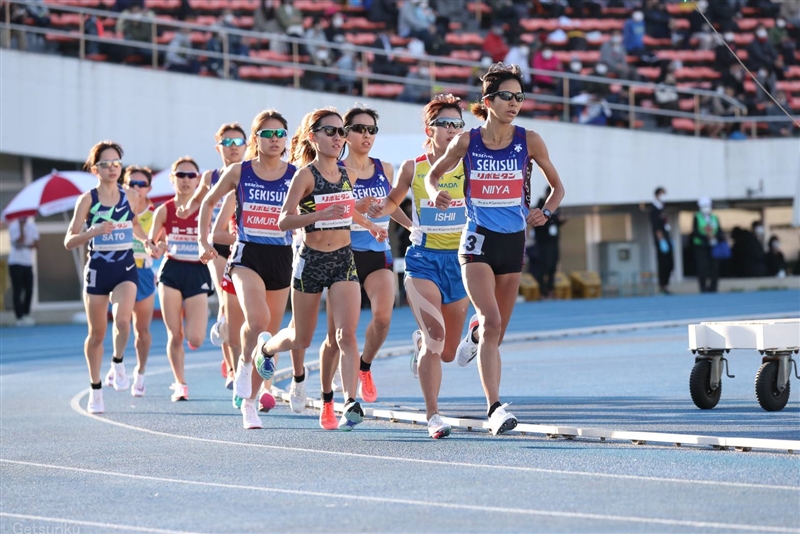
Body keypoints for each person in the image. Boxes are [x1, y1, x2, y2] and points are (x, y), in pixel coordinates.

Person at [423, 63, 565, 435]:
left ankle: (475, 336)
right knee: (493, 320)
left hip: (514, 240)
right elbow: (433, 174)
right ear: (488, 101)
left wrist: (545, 211)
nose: (514, 103)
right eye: (507, 96)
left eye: (520, 97)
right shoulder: (467, 141)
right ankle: (495, 409)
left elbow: (558, 188)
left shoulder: (529, 140)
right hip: (477, 239)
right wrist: (437, 189)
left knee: (495, 332)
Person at [256, 108, 387, 431]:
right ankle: (266, 347)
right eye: (330, 132)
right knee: (301, 337)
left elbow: (345, 210)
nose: (338, 138)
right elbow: (284, 220)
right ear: (313, 137)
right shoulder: (305, 176)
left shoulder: (348, 175)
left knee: (346, 334)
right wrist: (318, 215)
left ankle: (349, 402)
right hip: (311, 261)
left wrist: (368, 222)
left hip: (343, 260)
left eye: (341, 132)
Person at [368, 94, 469, 439]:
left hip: (462, 262)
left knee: (448, 353)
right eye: (446, 123)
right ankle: (433, 415)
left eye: (459, 124)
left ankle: (422, 345)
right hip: (423, 262)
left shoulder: (470, 164)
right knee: (436, 337)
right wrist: (376, 210)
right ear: (430, 128)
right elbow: (391, 202)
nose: (454, 130)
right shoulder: (414, 166)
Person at [198, 110, 297, 429]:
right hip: (247, 255)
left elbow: (316, 211)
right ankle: (241, 364)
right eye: (267, 134)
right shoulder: (241, 171)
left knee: (268, 339)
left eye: (280, 134)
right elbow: (208, 203)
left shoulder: (296, 174)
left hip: (281, 256)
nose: (274, 140)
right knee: (258, 322)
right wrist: (203, 241)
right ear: (256, 138)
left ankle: (251, 403)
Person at [326, 106, 412, 405]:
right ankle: (334, 380)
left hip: (378, 252)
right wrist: (357, 209)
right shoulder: (333, 171)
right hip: (343, 254)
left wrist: (410, 226)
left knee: (384, 317)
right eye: (360, 129)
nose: (366, 135)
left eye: (372, 130)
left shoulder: (385, 168)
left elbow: (392, 202)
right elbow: (327, 211)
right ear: (345, 133)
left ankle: (364, 367)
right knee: (339, 331)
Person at [65, 141, 152, 414]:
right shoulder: (87, 200)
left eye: (117, 163)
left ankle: (117, 362)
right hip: (97, 271)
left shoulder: (131, 196)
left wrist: (148, 242)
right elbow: (69, 240)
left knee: (124, 319)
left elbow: (135, 224)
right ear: (95, 169)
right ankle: (95, 389)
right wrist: (94, 231)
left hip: (125, 267)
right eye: (107, 164)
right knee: (96, 334)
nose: (113, 168)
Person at [179, 123, 247, 391]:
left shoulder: (251, 172)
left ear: (246, 145)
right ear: (218, 147)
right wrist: (185, 210)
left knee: (246, 310)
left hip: (249, 243)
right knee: (225, 303)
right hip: (219, 246)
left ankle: (240, 356)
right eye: (227, 142)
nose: (232, 147)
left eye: (237, 141)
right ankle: (231, 368)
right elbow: (197, 202)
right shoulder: (210, 176)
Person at [148, 157, 212, 402]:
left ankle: (197, 328)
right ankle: (180, 383)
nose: (186, 180)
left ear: (197, 179)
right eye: (181, 175)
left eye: (191, 176)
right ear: (172, 178)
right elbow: (153, 246)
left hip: (197, 271)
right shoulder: (164, 210)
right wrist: (157, 246)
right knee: (175, 335)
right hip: (172, 271)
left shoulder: (206, 207)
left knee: (195, 338)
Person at [121, 165, 157, 396]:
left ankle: (140, 372)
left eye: (141, 184)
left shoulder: (155, 215)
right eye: (132, 184)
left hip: (143, 272)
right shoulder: (116, 209)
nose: (136, 188)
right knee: (120, 323)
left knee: (141, 330)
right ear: (125, 186)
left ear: (148, 188)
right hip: (119, 270)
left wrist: (158, 247)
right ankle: (117, 363)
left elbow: (160, 246)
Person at [534, 185, 564, 298]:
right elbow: (542, 220)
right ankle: (542, 291)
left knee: (553, 266)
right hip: (543, 242)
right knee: (543, 266)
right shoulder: (541, 205)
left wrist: (560, 220)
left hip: (553, 242)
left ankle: (550, 289)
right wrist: (555, 219)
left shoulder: (556, 206)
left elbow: (556, 220)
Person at [7, 216, 38, 327]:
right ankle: (19, 317)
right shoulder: (13, 226)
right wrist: (21, 227)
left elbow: (35, 244)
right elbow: (20, 241)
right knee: (17, 290)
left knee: (29, 289)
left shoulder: (32, 226)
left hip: (27, 263)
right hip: (15, 262)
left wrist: (25, 245)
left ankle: (26, 314)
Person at [692, 197, 724, 293]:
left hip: (713, 246)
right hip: (701, 246)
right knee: (703, 267)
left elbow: (720, 231)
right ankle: (703, 288)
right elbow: (695, 232)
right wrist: (707, 238)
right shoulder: (697, 217)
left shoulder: (714, 217)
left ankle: (713, 288)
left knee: (714, 267)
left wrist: (715, 237)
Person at [649, 186, 674, 294]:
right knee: (663, 262)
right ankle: (662, 285)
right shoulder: (654, 210)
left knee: (670, 263)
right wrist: (661, 240)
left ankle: (666, 284)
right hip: (661, 240)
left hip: (667, 237)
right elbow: (656, 227)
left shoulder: (662, 209)